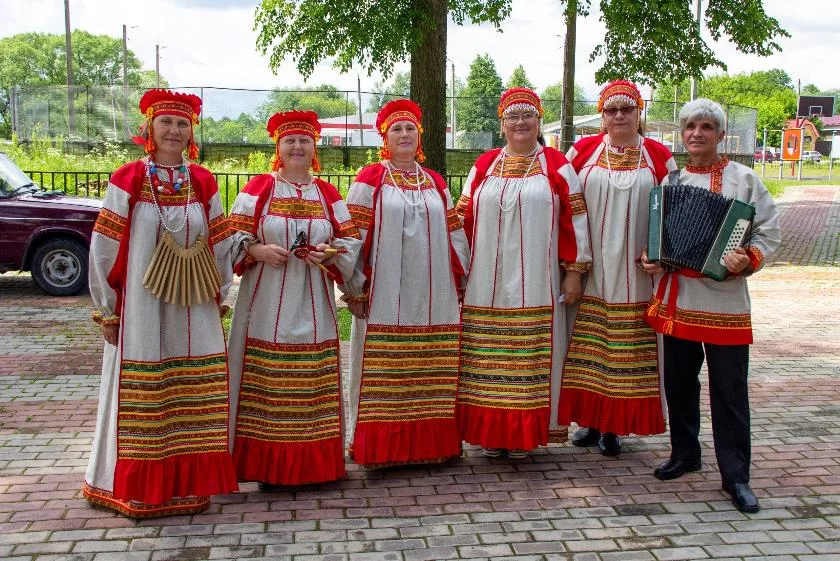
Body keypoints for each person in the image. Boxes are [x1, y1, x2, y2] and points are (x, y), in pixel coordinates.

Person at [85, 89, 239, 517]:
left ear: (192, 132)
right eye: (166, 122)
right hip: (142, 307)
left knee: (192, 387)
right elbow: (104, 246)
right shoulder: (128, 178)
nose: (174, 130)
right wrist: (107, 309)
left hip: (194, 304)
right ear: (149, 129)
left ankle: (188, 483)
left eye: (182, 123)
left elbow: (220, 242)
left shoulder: (203, 180)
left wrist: (219, 291)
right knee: (146, 385)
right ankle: (134, 485)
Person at [644, 98, 781, 513]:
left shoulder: (744, 179)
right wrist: (652, 257)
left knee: (729, 391)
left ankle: (736, 476)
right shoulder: (671, 180)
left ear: (721, 135)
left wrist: (748, 258)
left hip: (725, 303)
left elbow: (768, 232)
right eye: (690, 127)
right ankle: (686, 454)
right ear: (682, 134)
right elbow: (657, 235)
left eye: (706, 127)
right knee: (679, 383)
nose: (697, 133)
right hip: (679, 299)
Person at [226, 111, 362, 490]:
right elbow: (230, 236)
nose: (298, 147)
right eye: (290, 141)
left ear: (315, 148)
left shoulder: (328, 194)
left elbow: (350, 241)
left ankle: (314, 466)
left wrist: (328, 253)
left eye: (305, 140)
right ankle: (266, 466)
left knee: (312, 377)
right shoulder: (259, 189)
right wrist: (256, 250)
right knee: (268, 379)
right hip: (266, 301)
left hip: (314, 300)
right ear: (279, 148)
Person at [456, 87, 591, 459]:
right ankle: (490, 431)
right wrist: (458, 269)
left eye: (528, 115)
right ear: (502, 125)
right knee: (485, 357)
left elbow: (575, 220)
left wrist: (574, 272)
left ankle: (523, 434)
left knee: (531, 357)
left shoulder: (557, 165)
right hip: (485, 282)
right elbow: (462, 219)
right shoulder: (484, 165)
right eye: (513, 116)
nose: (520, 122)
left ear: (539, 121)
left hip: (537, 279)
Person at [344, 99, 470, 468]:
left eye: (410, 128)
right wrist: (354, 287)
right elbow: (353, 236)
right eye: (396, 129)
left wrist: (461, 280)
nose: (404, 134)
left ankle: (431, 447)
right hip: (385, 294)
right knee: (382, 372)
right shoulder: (370, 179)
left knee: (431, 370)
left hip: (434, 294)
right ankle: (380, 450)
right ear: (385, 138)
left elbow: (454, 234)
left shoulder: (435, 182)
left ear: (420, 137)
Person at [558, 80, 677, 457]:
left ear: (639, 114)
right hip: (590, 269)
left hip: (636, 272)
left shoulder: (659, 156)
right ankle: (590, 422)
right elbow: (564, 207)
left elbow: (673, 212)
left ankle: (614, 426)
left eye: (627, 109)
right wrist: (571, 264)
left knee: (625, 351)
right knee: (588, 349)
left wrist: (660, 253)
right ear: (603, 116)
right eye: (612, 110)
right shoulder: (581, 152)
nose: (620, 116)